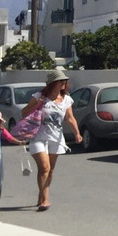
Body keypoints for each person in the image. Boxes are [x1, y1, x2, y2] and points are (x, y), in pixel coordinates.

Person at [22, 69, 80, 211]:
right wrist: (38, 104)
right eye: (61, 81)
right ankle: (45, 199)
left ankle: (41, 197)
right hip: (38, 137)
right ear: (53, 83)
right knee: (44, 168)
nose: (63, 83)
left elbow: (70, 118)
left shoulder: (66, 100)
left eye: (64, 81)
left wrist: (77, 133)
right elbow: (23, 112)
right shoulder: (39, 96)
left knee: (51, 170)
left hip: (56, 138)